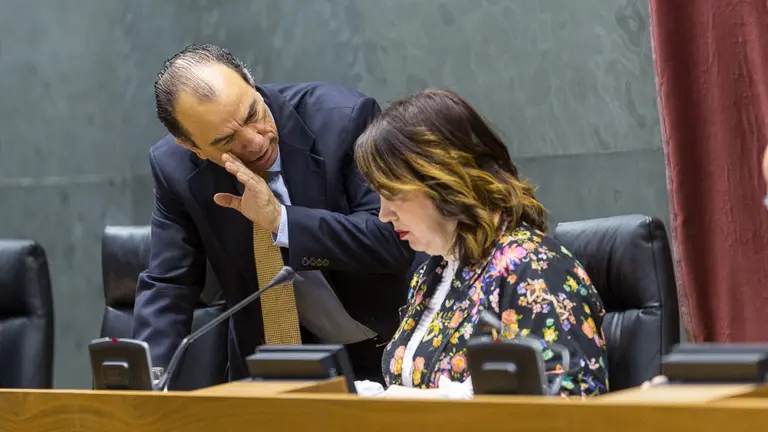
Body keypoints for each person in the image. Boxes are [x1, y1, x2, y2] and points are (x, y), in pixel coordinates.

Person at [132, 43, 415, 384]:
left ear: (252, 85)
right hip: (273, 367)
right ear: (193, 147)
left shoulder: (344, 119)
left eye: (253, 114)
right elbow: (169, 283)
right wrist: (146, 382)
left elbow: (390, 238)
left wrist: (283, 222)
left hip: (386, 348)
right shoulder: (174, 169)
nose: (254, 142)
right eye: (226, 141)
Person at [353, 89, 609, 397]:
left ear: (444, 181)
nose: (383, 214)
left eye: (393, 193)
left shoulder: (530, 266)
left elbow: (574, 400)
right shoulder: (431, 274)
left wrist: (438, 405)